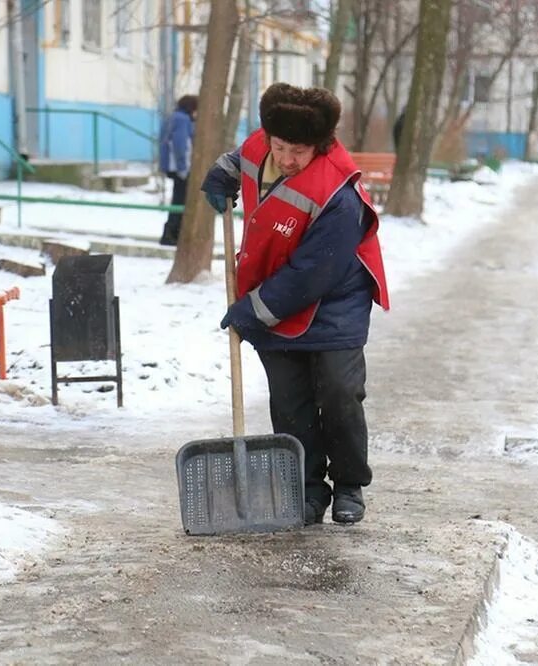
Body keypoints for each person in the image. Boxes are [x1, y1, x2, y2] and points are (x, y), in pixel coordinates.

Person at [201, 82, 390, 526]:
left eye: (298, 151)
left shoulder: (338, 195)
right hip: (273, 287)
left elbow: (312, 273)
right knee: (290, 402)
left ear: (321, 146)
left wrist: (251, 311)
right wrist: (221, 174)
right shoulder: (261, 145)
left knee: (339, 393)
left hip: (333, 301)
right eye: (280, 146)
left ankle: (348, 485)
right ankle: (305, 489)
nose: (286, 159)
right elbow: (240, 159)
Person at [158, 95, 198, 246]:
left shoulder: (173, 117)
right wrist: (183, 167)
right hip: (180, 167)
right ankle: (171, 233)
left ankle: (172, 232)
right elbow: (181, 145)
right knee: (180, 199)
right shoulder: (183, 120)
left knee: (178, 198)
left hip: (172, 166)